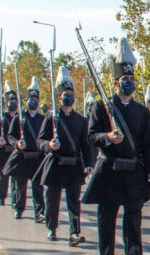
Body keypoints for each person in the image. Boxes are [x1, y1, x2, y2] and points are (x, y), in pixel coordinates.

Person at [82, 38, 150, 255]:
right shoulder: (102, 107)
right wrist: (108, 137)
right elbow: (91, 136)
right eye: (125, 80)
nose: (129, 84)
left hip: (134, 172)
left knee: (133, 221)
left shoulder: (141, 112)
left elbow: (149, 144)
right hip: (110, 171)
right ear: (115, 83)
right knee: (107, 219)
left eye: (132, 80)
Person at [35, 66, 93, 245]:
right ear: (59, 98)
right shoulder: (52, 117)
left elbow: (85, 144)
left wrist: (88, 163)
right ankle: (52, 228)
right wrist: (49, 145)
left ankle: (74, 232)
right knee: (52, 200)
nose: (69, 97)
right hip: (55, 164)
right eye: (65, 94)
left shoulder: (81, 120)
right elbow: (40, 140)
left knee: (74, 201)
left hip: (74, 165)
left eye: (71, 94)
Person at [3, 76, 45, 221]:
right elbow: (11, 136)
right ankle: (19, 209)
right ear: (26, 101)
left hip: (37, 157)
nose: (33, 101)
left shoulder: (43, 119)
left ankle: (39, 212)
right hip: (22, 156)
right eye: (30, 99)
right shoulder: (19, 118)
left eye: (35, 99)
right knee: (20, 186)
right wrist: (17, 144)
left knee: (38, 187)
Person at [1, 81, 20, 208]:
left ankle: (15, 200)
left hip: (16, 150)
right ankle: (1, 197)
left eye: (14, 101)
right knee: (3, 175)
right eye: (10, 101)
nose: (12, 103)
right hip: (3, 150)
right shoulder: (2, 117)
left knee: (15, 177)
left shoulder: (20, 117)